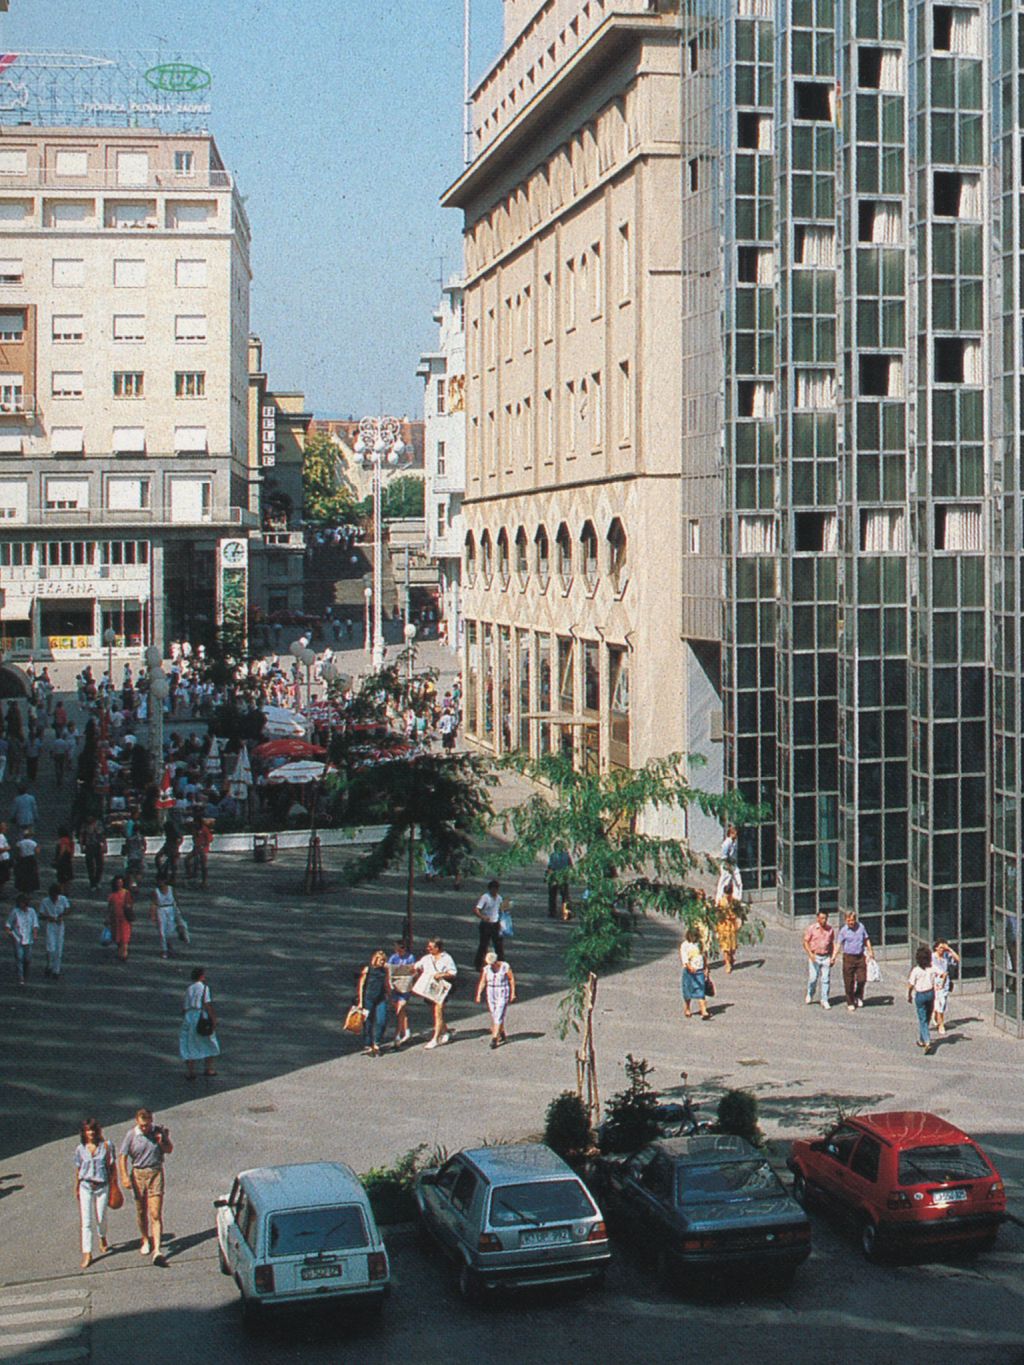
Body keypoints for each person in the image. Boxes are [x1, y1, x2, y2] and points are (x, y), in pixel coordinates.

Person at [118, 1108, 173, 1265]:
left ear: (151, 1121)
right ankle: (145, 1238)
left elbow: (169, 1150)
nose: (145, 1128)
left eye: (147, 1125)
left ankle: (157, 1249)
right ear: (137, 1122)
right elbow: (122, 1157)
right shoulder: (131, 1135)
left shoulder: (158, 1132)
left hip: (155, 1172)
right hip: (138, 1174)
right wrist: (124, 1176)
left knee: (155, 1213)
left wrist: (162, 1140)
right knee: (141, 1210)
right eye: (142, 1125)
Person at [74, 1118, 115, 1269]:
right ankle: (87, 1252)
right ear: (84, 1132)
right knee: (86, 1221)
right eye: (87, 1130)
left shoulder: (106, 1146)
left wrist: (114, 1185)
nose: (90, 1133)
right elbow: (78, 1169)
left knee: (101, 1216)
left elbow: (112, 1166)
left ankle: (102, 1236)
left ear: (97, 1131)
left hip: (102, 1185)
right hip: (86, 1185)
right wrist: (77, 1187)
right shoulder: (80, 1149)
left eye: (92, 1130)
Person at [414, 938, 458, 1048]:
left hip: (441, 988)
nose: (428, 949)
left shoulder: (446, 958)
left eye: (430, 947)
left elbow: (453, 972)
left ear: (437, 948)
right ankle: (446, 1031)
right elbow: (417, 966)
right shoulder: (427, 958)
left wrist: (442, 974)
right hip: (429, 988)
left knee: (438, 1011)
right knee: (435, 1011)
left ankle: (435, 1038)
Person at [180, 965, 220, 1079]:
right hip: (200, 1015)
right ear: (202, 976)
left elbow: (185, 1006)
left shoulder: (189, 988)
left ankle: (190, 1071)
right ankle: (209, 1068)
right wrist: (213, 1019)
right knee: (209, 1040)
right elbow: (207, 1004)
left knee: (189, 1043)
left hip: (189, 1016)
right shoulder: (204, 988)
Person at [834, 911, 875, 1012]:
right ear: (846, 920)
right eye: (849, 920)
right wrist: (834, 956)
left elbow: (866, 939)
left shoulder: (861, 927)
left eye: (852, 920)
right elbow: (838, 944)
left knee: (862, 979)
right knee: (849, 981)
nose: (851, 922)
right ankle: (850, 1001)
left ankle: (858, 995)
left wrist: (870, 951)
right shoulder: (843, 931)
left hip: (860, 956)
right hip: (848, 957)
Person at [476, 950, 516, 1048]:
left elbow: (511, 979)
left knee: (499, 1013)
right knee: (494, 1013)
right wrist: (479, 994)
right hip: (491, 991)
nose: (491, 966)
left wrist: (513, 993)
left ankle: (494, 1038)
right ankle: (501, 1032)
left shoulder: (505, 967)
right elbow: (483, 982)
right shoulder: (486, 969)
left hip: (502, 990)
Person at [356, 949, 390, 1057]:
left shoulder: (384, 970)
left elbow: (386, 983)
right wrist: (361, 1002)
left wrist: (389, 994)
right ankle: (368, 1044)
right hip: (368, 998)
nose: (382, 962)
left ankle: (377, 1043)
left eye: (384, 960)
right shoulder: (368, 970)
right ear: (375, 959)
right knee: (368, 1022)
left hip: (381, 998)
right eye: (381, 960)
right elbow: (361, 985)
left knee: (382, 1020)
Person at [908, 946, 937, 1054]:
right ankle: (921, 1039)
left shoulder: (916, 970)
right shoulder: (932, 968)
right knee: (927, 1016)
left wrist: (909, 995)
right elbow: (940, 975)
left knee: (922, 1019)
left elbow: (911, 985)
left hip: (920, 995)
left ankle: (927, 1042)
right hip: (930, 993)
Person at [387, 939, 416, 1047]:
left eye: (400, 948)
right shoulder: (393, 957)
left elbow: (413, 971)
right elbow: (389, 969)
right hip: (395, 986)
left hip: (405, 986)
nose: (398, 950)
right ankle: (406, 1031)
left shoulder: (410, 957)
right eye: (397, 948)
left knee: (400, 1008)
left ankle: (397, 1035)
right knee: (401, 1010)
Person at [803, 910, 835, 1009]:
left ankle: (824, 999)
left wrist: (833, 957)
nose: (824, 920)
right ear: (818, 918)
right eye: (822, 918)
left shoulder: (830, 930)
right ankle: (810, 993)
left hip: (825, 956)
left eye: (825, 918)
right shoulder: (812, 929)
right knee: (813, 977)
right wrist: (810, 954)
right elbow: (805, 942)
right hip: (815, 956)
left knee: (825, 979)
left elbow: (832, 943)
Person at [5, 892, 39, 986]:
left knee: (27, 959)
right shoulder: (15, 912)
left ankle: (25, 972)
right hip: (18, 938)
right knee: (19, 957)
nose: (21, 904)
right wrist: (12, 935)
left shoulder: (31, 911)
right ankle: (21, 977)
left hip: (28, 938)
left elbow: (35, 924)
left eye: (23, 902)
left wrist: (35, 934)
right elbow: (8, 925)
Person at [39, 881, 71, 978]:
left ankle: (56, 970)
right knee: (50, 947)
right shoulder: (45, 901)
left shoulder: (63, 899)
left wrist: (62, 915)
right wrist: (49, 917)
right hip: (51, 925)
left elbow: (67, 909)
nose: (55, 898)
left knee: (59, 948)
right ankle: (49, 965)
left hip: (60, 925)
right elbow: (41, 913)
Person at [472, 878, 505, 970]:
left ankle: (501, 963)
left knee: (498, 945)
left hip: (495, 923)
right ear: (490, 889)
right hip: (486, 924)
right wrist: (483, 917)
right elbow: (476, 909)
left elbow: (501, 909)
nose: (494, 891)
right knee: (483, 944)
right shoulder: (485, 897)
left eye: (496, 889)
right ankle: (479, 964)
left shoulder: (499, 898)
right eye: (493, 889)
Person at [931, 939, 961, 1036]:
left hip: (944, 984)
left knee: (942, 1003)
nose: (942, 950)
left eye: (943, 948)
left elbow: (958, 959)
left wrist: (949, 950)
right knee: (938, 1003)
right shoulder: (932, 957)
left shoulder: (946, 956)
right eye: (940, 948)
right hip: (934, 983)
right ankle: (940, 1024)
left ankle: (939, 1020)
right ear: (936, 948)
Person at [680, 928, 711, 1021]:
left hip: (699, 971)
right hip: (689, 972)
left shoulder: (700, 944)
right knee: (688, 991)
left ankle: (704, 1011)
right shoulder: (685, 945)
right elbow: (684, 958)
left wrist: (706, 968)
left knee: (700, 991)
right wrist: (689, 967)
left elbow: (704, 956)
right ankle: (687, 1008)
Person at [715, 879, 742, 973]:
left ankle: (731, 958)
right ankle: (727, 963)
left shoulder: (734, 902)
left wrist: (738, 920)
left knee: (733, 948)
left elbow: (738, 912)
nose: (727, 896)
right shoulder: (721, 902)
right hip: (724, 926)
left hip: (732, 927)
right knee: (726, 947)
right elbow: (718, 914)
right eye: (726, 893)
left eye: (729, 893)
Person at [107, 874, 134, 963]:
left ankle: (124, 954)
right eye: (117, 882)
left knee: (125, 938)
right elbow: (110, 907)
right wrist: (107, 918)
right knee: (117, 937)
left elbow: (130, 905)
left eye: (121, 882)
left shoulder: (126, 893)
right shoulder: (112, 895)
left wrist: (128, 907)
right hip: (115, 919)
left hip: (125, 918)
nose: (119, 884)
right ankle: (120, 952)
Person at [150, 875, 179, 959]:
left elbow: (176, 900)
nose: (160, 883)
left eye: (161, 881)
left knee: (170, 930)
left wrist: (178, 913)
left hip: (170, 909)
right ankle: (164, 949)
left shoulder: (171, 889)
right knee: (161, 931)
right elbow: (154, 903)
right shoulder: (156, 891)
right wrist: (153, 914)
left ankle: (169, 945)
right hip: (161, 910)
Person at [546, 845, 573, 920]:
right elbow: (570, 866)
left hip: (554, 877)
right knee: (565, 896)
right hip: (564, 877)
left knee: (552, 896)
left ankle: (552, 912)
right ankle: (567, 912)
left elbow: (550, 867)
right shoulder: (566, 856)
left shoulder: (553, 855)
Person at [13, 826, 39, 893]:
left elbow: (17, 852)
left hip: (23, 859)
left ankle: (22, 887)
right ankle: (30, 888)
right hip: (31, 859)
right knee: (31, 874)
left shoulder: (20, 843)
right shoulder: (34, 843)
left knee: (22, 874)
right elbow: (37, 852)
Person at [83, 818, 107, 890]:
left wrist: (104, 845)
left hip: (97, 845)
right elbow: (82, 835)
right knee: (90, 865)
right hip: (89, 846)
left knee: (100, 864)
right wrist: (82, 846)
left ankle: (97, 881)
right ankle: (92, 882)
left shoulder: (98, 824)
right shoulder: (85, 825)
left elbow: (102, 835)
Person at [192, 820, 213, 888]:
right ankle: (193, 877)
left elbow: (210, 839)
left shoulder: (204, 829)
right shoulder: (195, 830)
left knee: (203, 865)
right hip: (196, 848)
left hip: (203, 849)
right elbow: (194, 838)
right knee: (190, 861)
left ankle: (205, 881)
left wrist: (203, 845)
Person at [0, 819, 11, 892]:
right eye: (4, 827)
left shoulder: (2, 836)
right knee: (2, 878)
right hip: (2, 860)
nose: (6, 828)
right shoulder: (0, 837)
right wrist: (7, 848)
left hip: (4, 860)